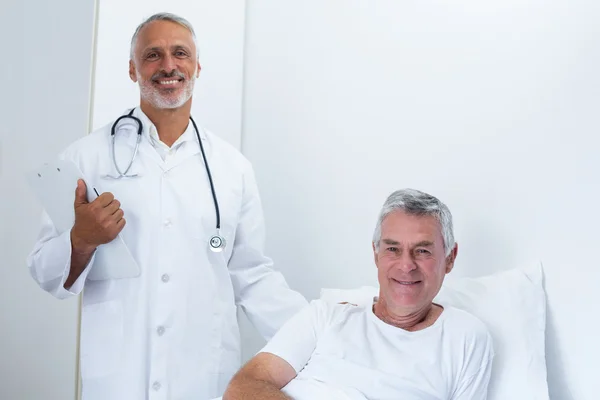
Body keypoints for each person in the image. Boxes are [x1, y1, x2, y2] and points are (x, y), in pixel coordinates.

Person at [27, 12, 307, 400]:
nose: (169, 65)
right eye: (153, 55)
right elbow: (43, 269)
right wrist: (80, 241)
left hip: (202, 375)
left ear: (197, 67)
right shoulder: (85, 158)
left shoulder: (232, 168)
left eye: (180, 54)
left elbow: (251, 274)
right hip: (119, 376)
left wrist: (316, 330)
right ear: (132, 69)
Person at [222, 189, 495, 400]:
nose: (406, 265)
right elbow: (244, 387)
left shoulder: (465, 337)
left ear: (450, 258)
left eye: (422, 251)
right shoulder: (326, 315)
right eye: (392, 249)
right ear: (376, 254)